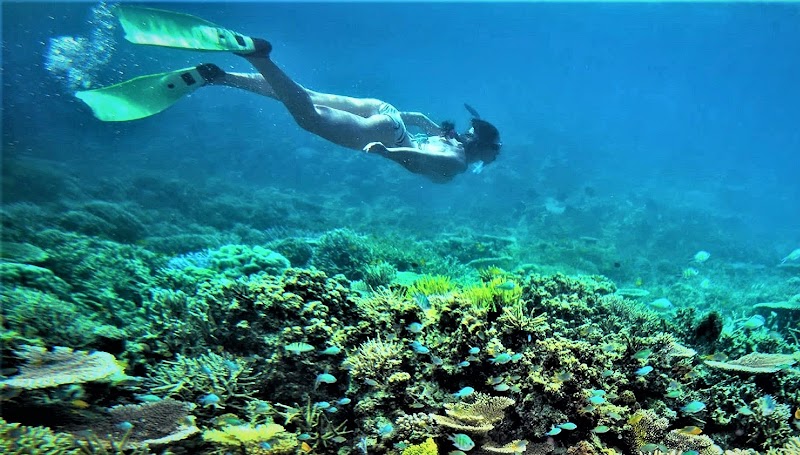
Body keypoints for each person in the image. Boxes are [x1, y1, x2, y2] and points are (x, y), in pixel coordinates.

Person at [76, 6, 502, 183]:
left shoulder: (446, 134)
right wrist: (388, 154)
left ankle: (219, 76)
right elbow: (433, 159)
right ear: (481, 151)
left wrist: (419, 122)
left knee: (303, 94)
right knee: (308, 115)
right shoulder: (459, 160)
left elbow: (417, 122)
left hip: (387, 111)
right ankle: (259, 56)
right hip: (390, 134)